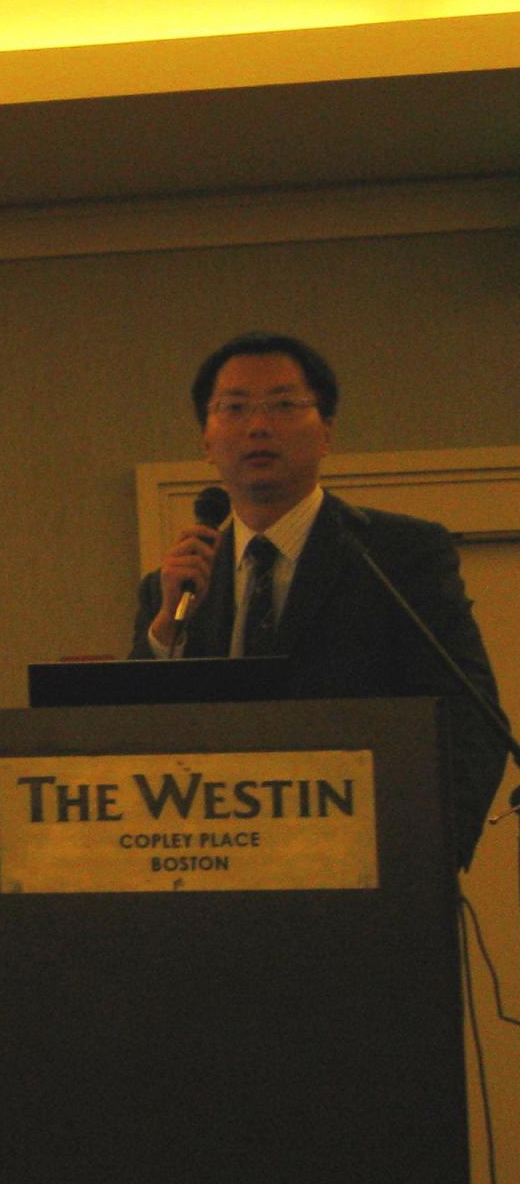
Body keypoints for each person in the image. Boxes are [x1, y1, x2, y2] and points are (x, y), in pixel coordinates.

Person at [133, 331, 510, 869]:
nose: (258, 426)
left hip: (369, 875)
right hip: (218, 873)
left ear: (326, 432)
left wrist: (426, 863)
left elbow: (472, 723)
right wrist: (164, 633)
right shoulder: (174, 587)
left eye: (283, 405)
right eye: (234, 408)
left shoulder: (399, 555)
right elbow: (133, 743)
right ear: (207, 441)